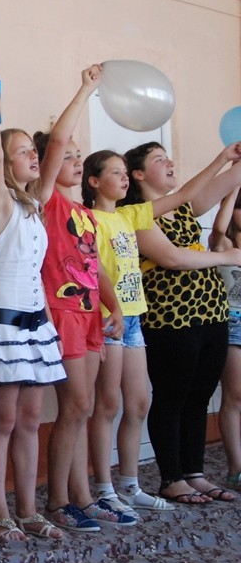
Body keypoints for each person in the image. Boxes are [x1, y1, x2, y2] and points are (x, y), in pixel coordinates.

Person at [83, 146, 241, 512]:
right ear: (138, 174)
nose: (169, 163)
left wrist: (226, 158)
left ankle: (193, 472)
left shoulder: (178, 206)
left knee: (199, 395)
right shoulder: (133, 214)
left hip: (209, 309)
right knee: (168, 395)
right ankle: (169, 478)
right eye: (158, 159)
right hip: (168, 315)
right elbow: (171, 257)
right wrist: (225, 257)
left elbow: (197, 190)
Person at [0, 84, 66, 543]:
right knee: (2, 420)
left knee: (30, 420)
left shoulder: (34, 206)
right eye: (22, 151)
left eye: (32, 150)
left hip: (35, 324)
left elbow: (57, 148)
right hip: (3, 324)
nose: (33, 156)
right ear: (6, 161)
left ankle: (29, 509)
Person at [32, 66, 133, 533]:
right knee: (73, 406)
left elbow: (95, 269)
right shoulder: (47, 202)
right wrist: (86, 89)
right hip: (63, 315)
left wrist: (114, 307)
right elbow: (56, 141)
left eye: (79, 155)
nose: (75, 160)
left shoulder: (83, 213)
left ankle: (83, 497)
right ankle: (58, 501)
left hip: (90, 315)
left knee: (84, 407)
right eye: (68, 155)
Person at [209, 187, 241, 493]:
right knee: (234, 395)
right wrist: (233, 186)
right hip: (232, 324)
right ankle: (236, 470)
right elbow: (219, 228)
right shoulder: (224, 244)